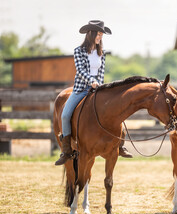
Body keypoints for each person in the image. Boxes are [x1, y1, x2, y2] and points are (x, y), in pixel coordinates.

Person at [55, 20, 132, 166]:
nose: (100, 37)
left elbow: (101, 72)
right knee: (65, 115)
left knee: (116, 111)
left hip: (97, 89)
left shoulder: (101, 53)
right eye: (99, 33)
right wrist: (91, 81)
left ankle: (120, 145)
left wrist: (100, 86)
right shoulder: (78, 51)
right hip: (81, 89)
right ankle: (66, 151)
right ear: (91, 33)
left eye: (102, 34)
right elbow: (80, 71)